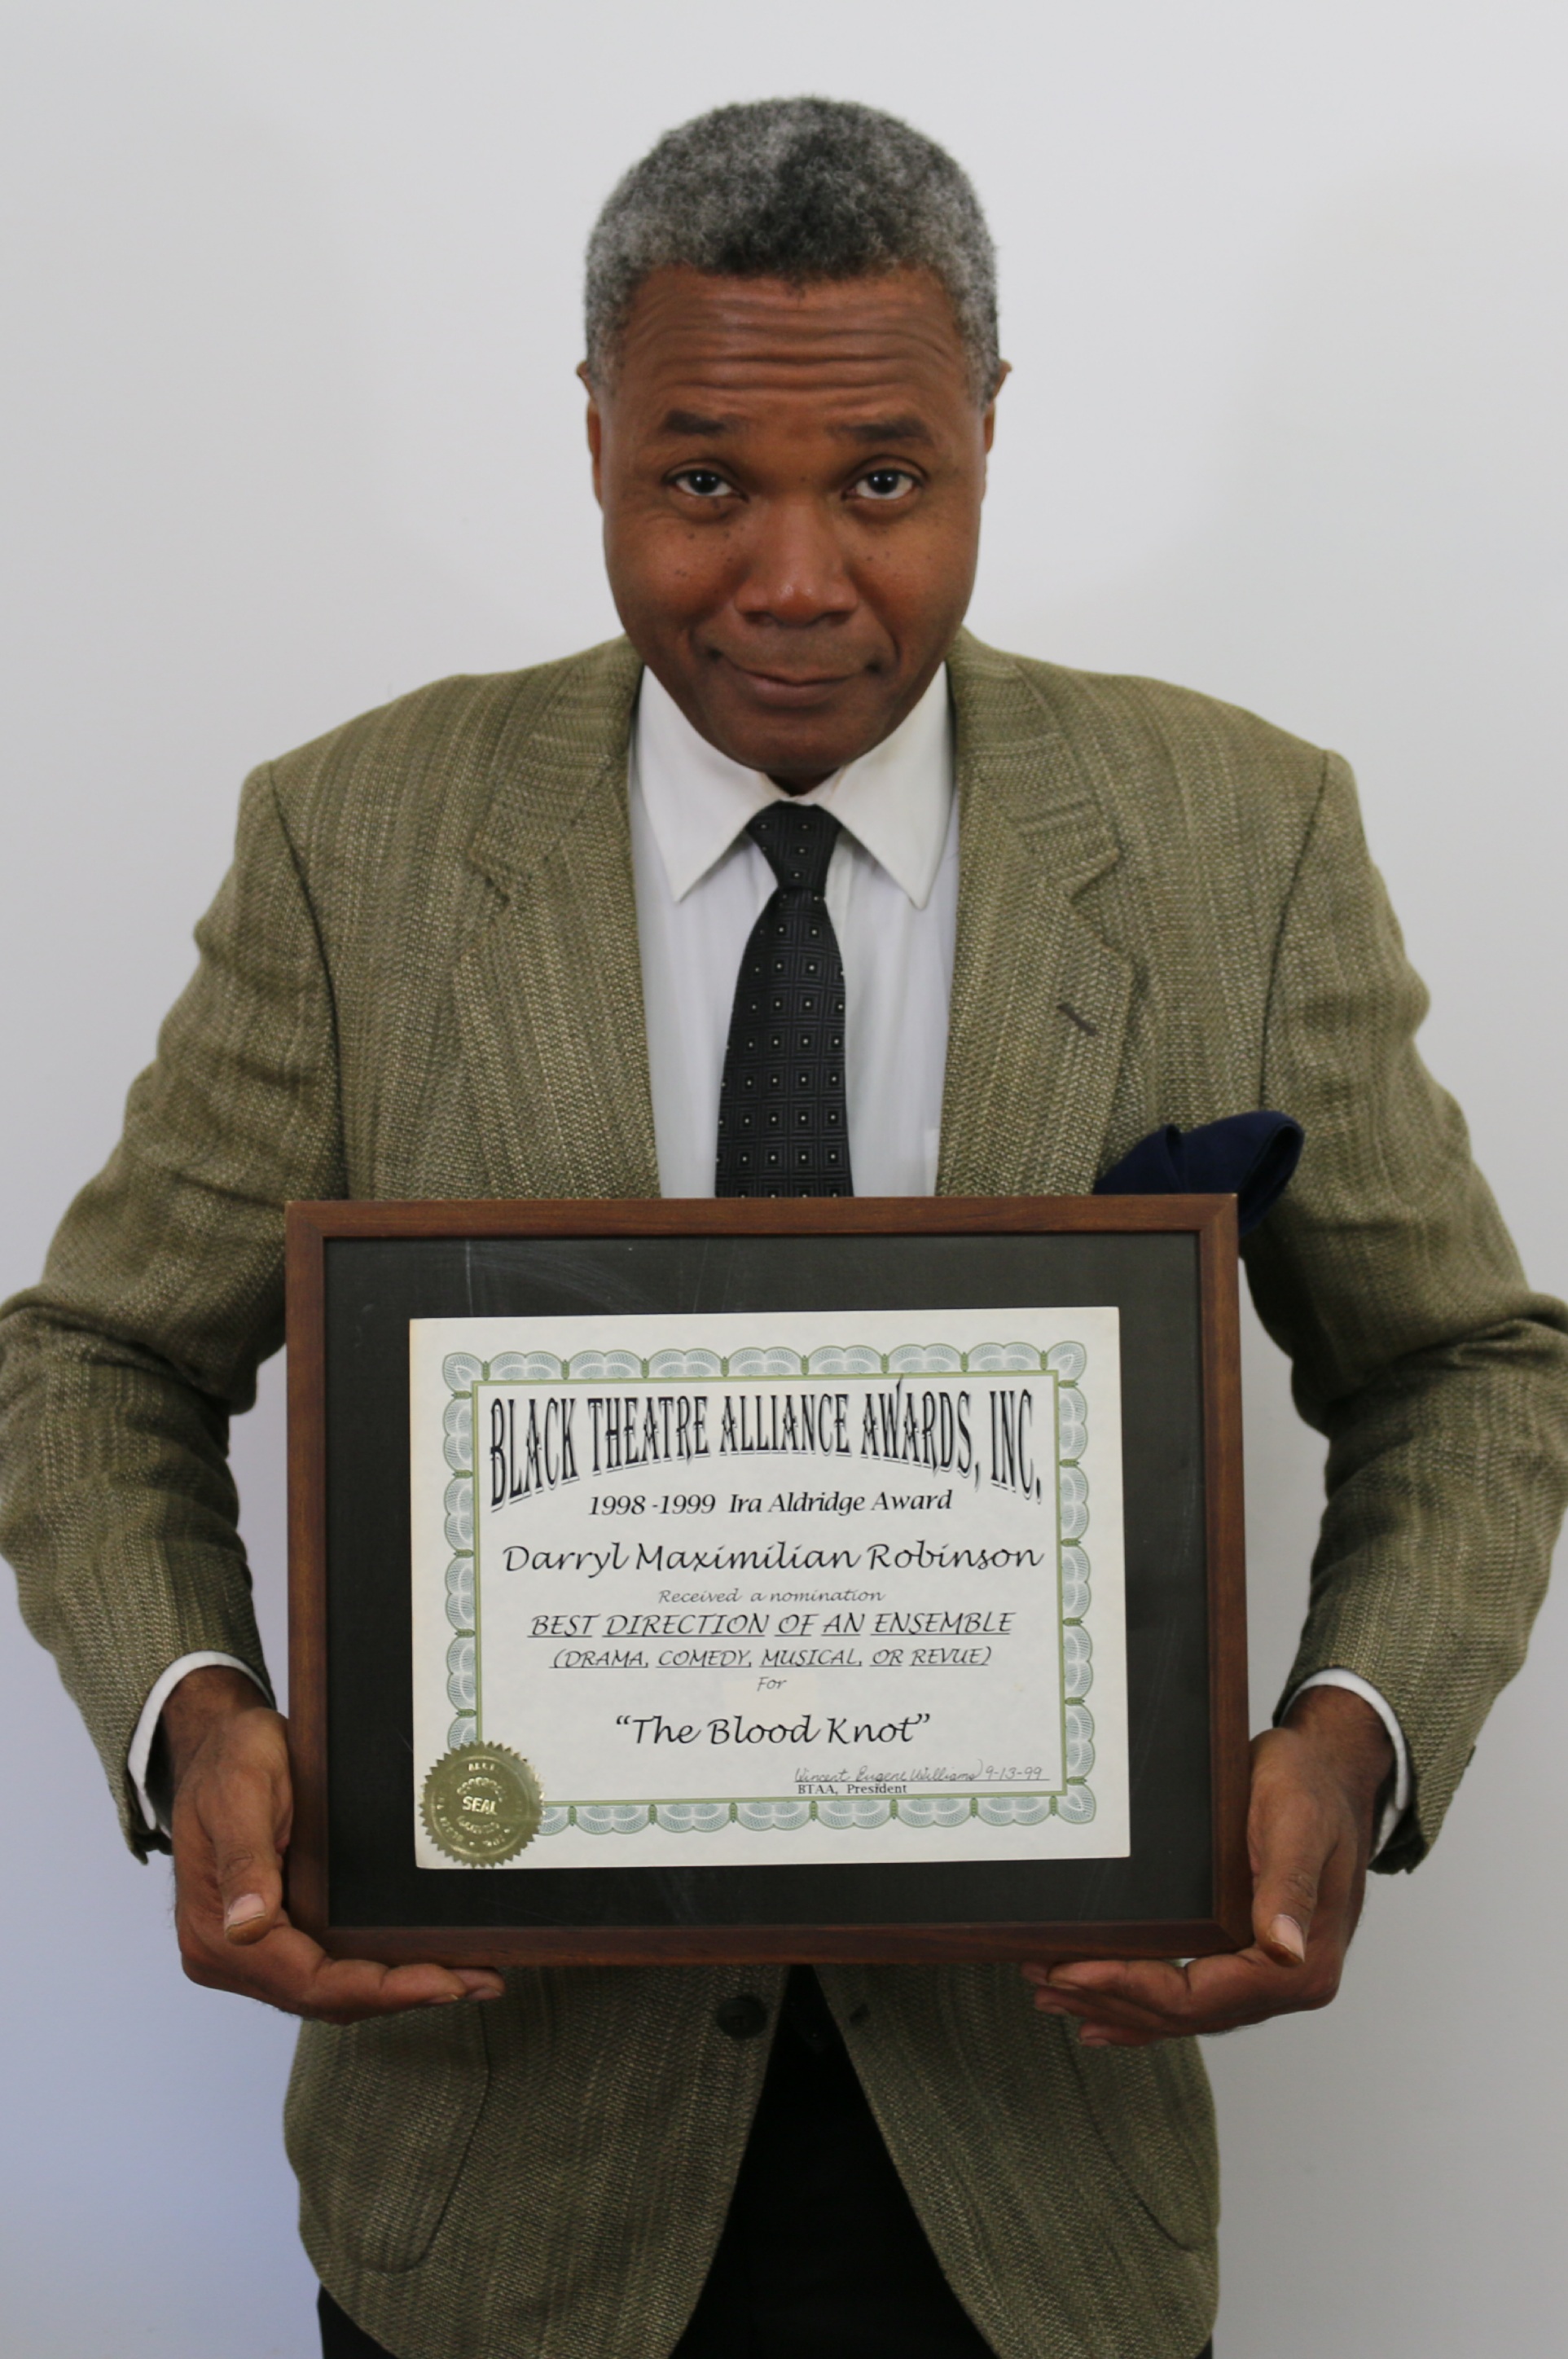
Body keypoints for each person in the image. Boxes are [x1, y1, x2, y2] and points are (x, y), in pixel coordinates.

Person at [2, 95, 1564, 2359]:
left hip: (1041, 2191)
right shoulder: (354, 845)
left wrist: (1352, 1736)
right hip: (493, 2197)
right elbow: (98, 1357)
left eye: (887, 483)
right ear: (600, 438)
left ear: (991, 438)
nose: (799, 577)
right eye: (705, 479)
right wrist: (188, 1710)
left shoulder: (1246, 835)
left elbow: (1464, 1366)